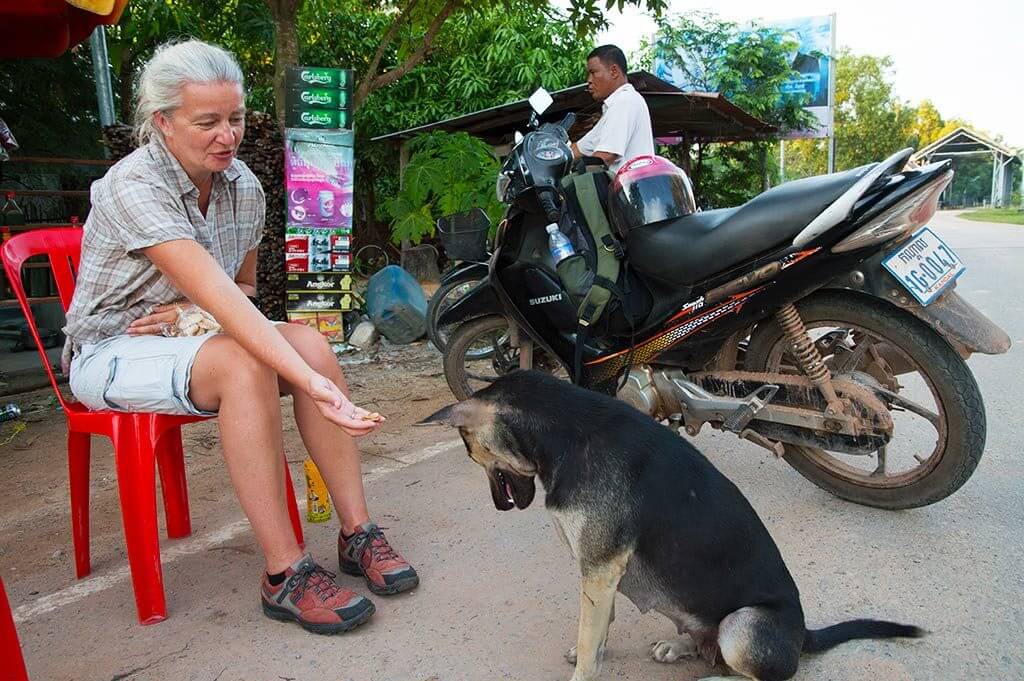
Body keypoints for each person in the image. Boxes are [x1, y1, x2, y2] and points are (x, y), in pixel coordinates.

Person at [62, 40, 417, 635]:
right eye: (207, 122)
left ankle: (357, 533)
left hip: (196, 333)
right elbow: (223, 300)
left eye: (234, 118)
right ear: (163, 123)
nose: (226, 135)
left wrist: (193, 317)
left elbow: (242, 291)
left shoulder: (242, 185)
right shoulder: (132, 184)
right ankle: (284, 574)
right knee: (243, 364)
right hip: (111, 346)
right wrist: (305, 383)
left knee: (310, 343)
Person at [571, 44, 655, 174]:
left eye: (593, 73)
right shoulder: (612, 109)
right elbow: (576, 150)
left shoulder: (625, 100)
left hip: (629, 192)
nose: (589, 80)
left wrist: (576, 177)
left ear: (614, 71)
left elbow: (606, 155)